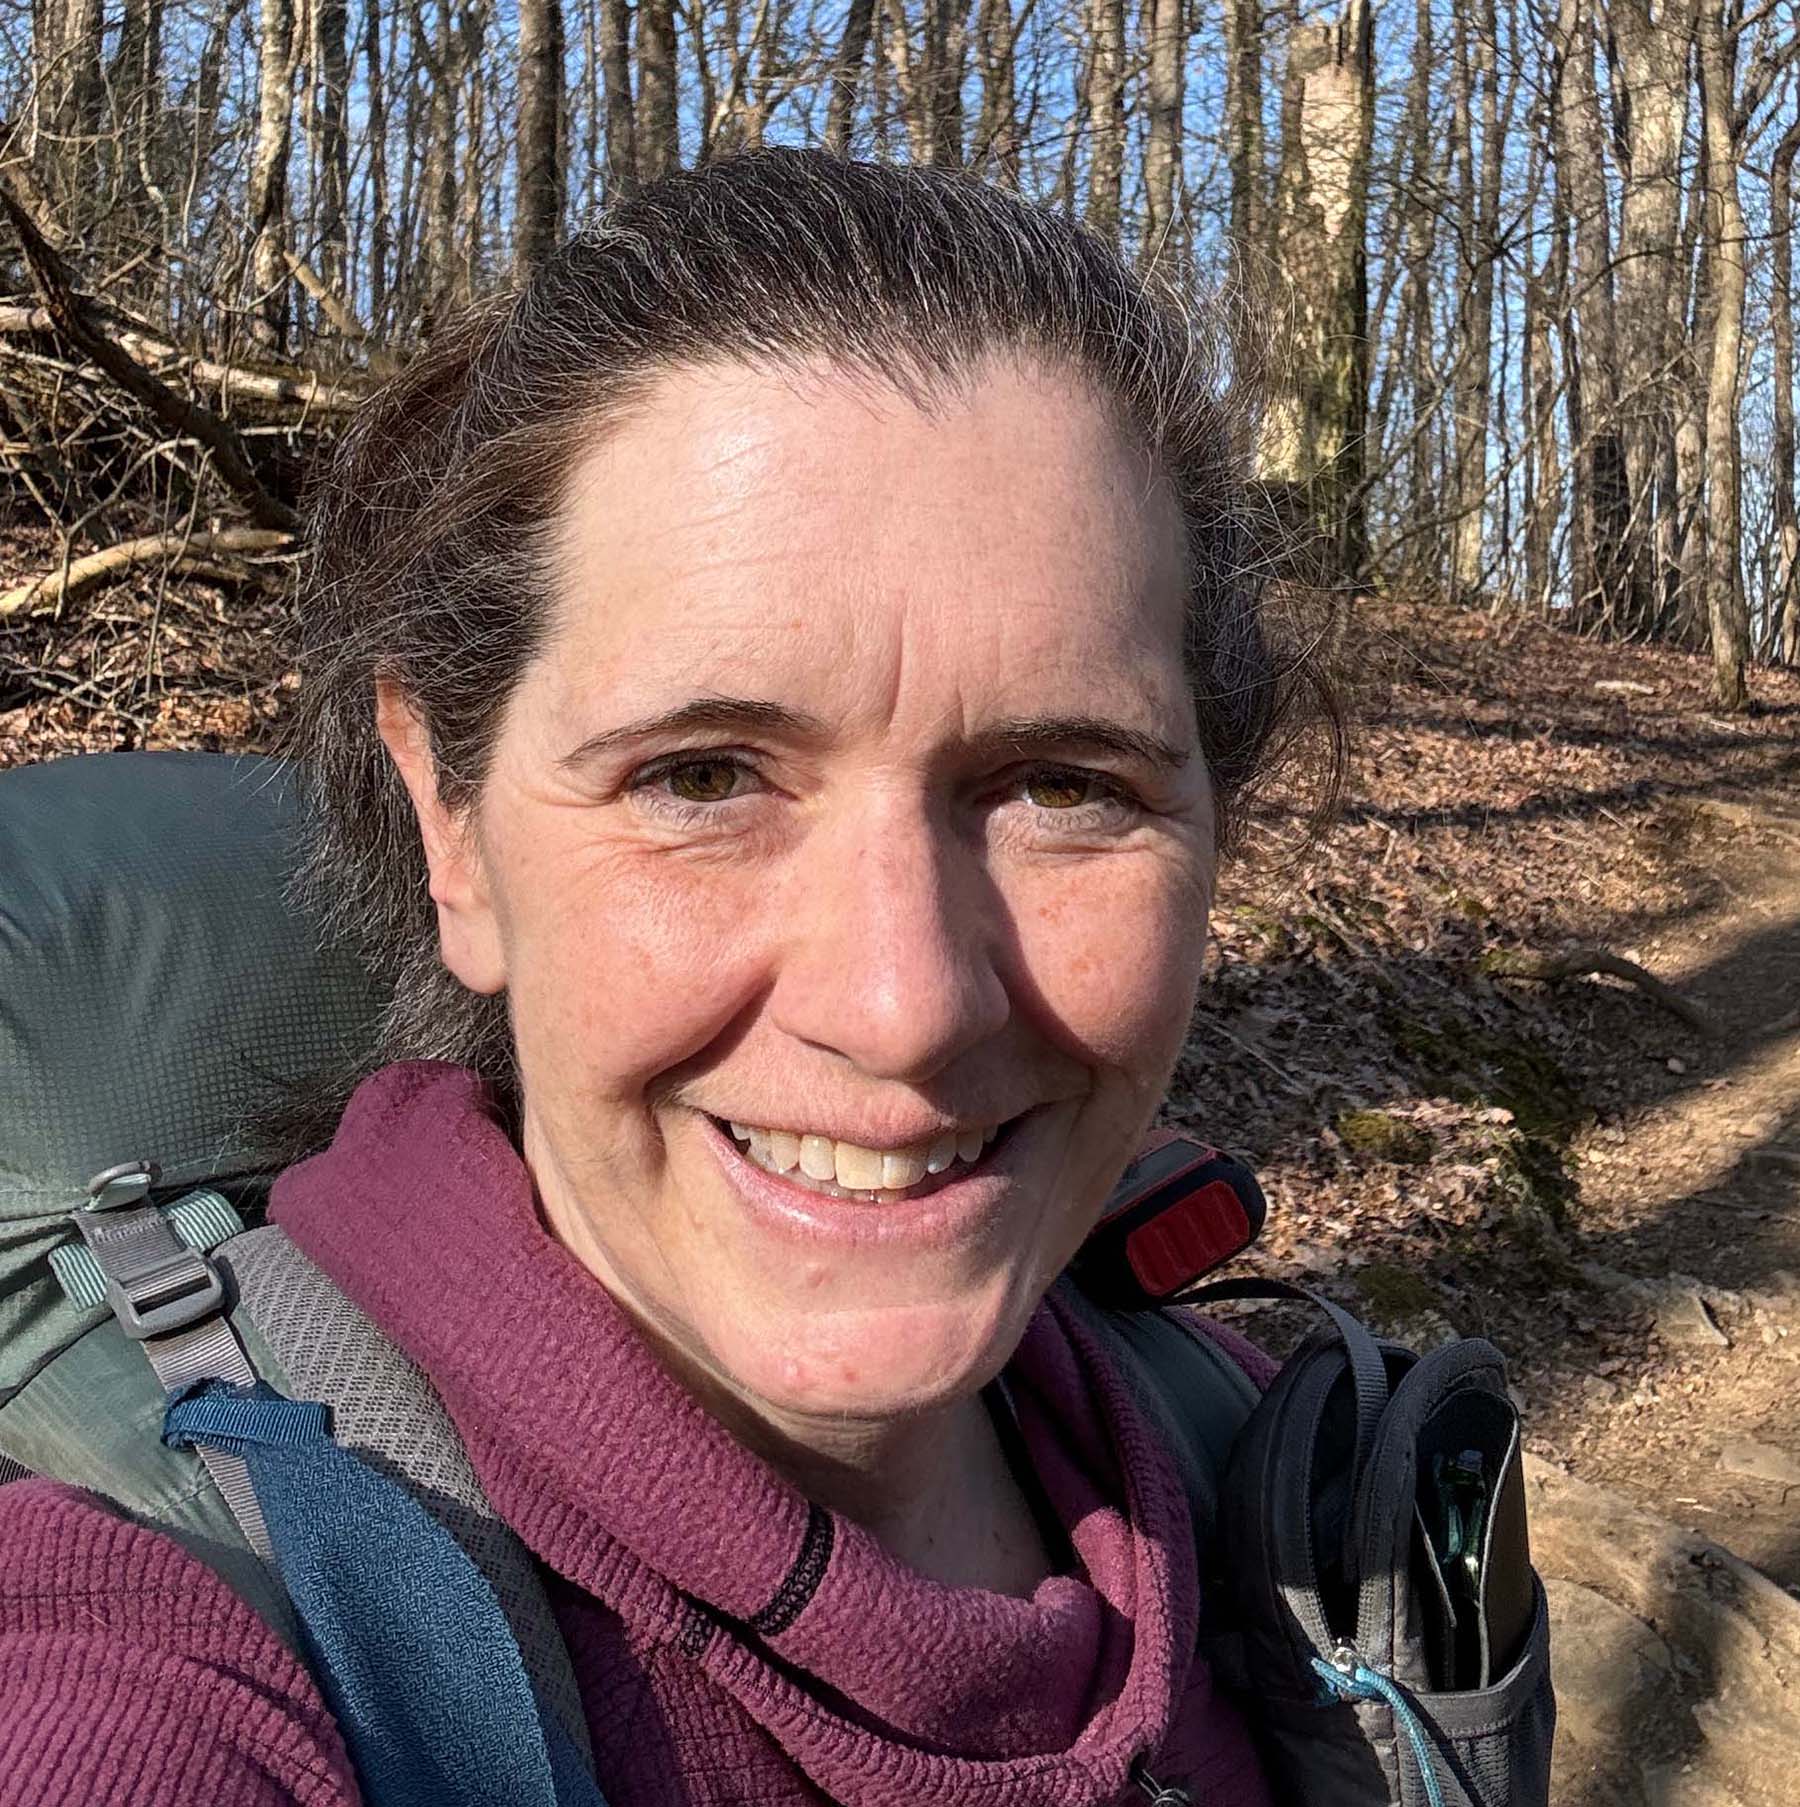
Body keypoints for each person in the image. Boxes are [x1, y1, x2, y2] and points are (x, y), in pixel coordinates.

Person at [0, 149, 1338, 1805]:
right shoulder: (172, 1630)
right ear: (454, 828)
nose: (905, 1003)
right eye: (702, 777)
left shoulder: (1278, 1474)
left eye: (1069, 785)